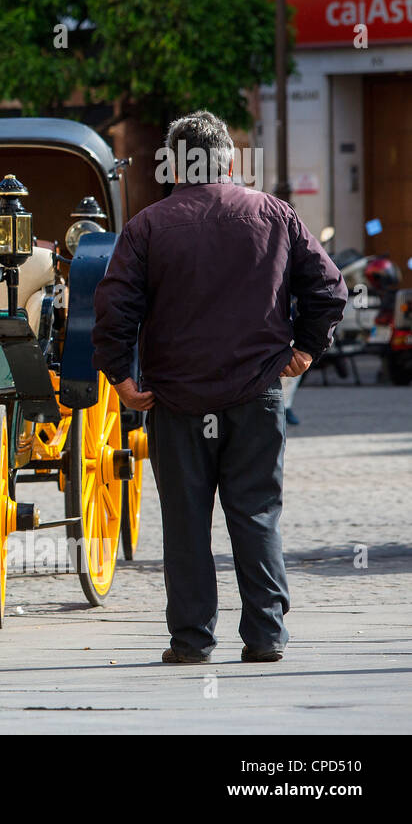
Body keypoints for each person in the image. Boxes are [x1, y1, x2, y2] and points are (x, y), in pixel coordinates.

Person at [92, 110, 346, 665]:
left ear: (172, 165)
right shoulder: (275, 215)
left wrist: (121, 377)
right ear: (230, 161)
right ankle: (265, 635)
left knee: (185, 521)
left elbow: (114, 309)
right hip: (256, 393)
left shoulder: (147, 227)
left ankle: (191, 639)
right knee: (256, 513)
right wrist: (305, 348)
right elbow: (329, 287)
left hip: (176, 399)